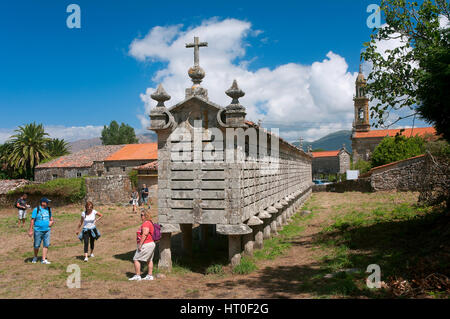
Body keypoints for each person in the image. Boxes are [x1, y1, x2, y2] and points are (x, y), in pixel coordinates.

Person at [129, 209, 155, 281]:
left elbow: (145, 233)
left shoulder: (146, 223)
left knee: (136, 259)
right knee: (149, 260)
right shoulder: (150, 222)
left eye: (142, 215)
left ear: (146, 215)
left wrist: (140, 244)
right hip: (151, 243)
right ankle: (149, 275)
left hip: (146, 244)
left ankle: (137, 275)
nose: (141, 216)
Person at [28, 197, 54, 264]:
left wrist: (52, 222)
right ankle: (35, 257)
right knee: (36, 245)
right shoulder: (36, 210)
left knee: (46, 244)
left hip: (47, 230)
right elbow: (32, 220)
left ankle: (43, 259)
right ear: (43, 203)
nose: (48, 203)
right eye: (47, 202)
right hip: (38, 230)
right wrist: (30, 230)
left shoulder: (49, 209)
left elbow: (51, 218)